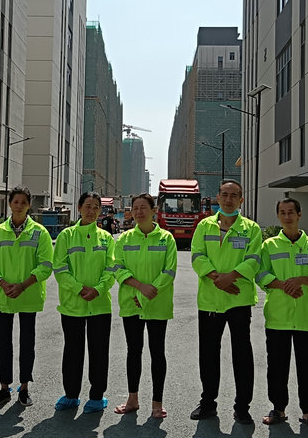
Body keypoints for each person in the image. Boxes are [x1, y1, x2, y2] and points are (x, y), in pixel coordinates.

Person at [189, 179, 262, 425]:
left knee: (242, 355)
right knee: (208, 354)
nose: (229, 199)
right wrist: (216, 277)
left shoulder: (251, 229)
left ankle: (242, 407)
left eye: (234, 195)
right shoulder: (204, 226)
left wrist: (231, 277)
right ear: (217, 198)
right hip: (210, 300)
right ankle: (208, 403)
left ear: (241, 199)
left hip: (238, 299)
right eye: (225, 194)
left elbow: (254, 259)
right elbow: (197, 255)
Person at [256, 197, 308, 428]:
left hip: (307, 318)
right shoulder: (269, 246)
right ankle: (278, 409)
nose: (287, 217)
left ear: (299, 214)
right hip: (278, 317)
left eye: (291, 212)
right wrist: (283, 285)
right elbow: (260, 274)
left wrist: (302, 280)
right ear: (278, 216)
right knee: (277, 367)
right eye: (282, 212)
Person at [0, 186, 53, 406]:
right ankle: (4, 387)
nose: (19, 206)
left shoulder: (40, 232)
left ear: (29, 205)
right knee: (3, 343)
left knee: (27, 343)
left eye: (24, 202)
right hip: (3, 295)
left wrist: (22, 286)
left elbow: (45, 265)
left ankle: (24, 387)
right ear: (10, 204)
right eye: (16, 202)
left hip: (28, 295)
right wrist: (2, 284)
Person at [112, 193, 177, 419]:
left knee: (157, 352)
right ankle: (132, 399)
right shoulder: (124, 239)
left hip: (158, 304)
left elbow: (169, 271)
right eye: (135, 208)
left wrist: (149, 292)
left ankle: (157, 402)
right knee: (133, 351)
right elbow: (117, 268)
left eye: (143, 208)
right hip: (132, 303)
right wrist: (140, 287)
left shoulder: (166, 238)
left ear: (153, 210)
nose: (139, 212)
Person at [52, 191, 116, 413]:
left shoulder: (106, 238)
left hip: (99, 305)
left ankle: (97, 396)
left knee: (99, 352)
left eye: (96, 207)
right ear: (79, 208)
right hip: (72, 304)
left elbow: (111, 268)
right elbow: (60, 268)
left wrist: (99, 290)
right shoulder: (66, 236)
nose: (92, 210)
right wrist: (78, 289)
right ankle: (71, 395)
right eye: (88, 206)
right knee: (73, 351)